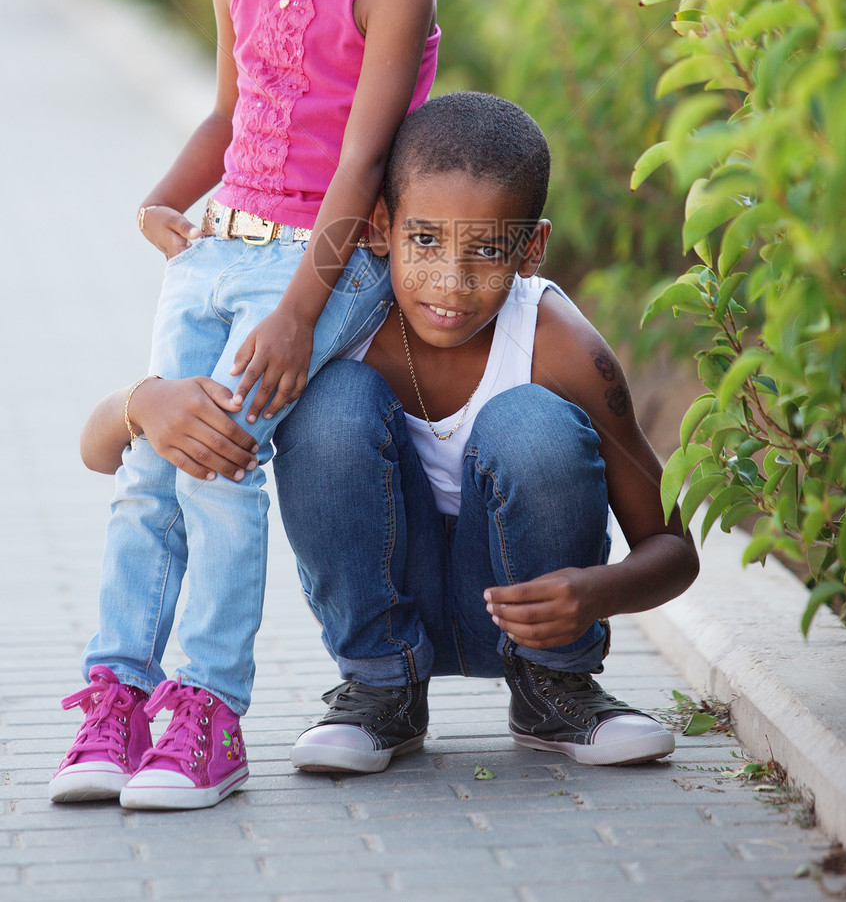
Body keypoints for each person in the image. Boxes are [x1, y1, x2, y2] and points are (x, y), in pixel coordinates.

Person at [49, 0, 468, 812]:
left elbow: (360, 163)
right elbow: (230, 117)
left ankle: (208, 714)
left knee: (220, 467)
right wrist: (163, 195)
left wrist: (296, 312)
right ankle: (115, 697)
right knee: (153, 466)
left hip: (317, 267)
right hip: (216, 251)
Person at [81, 93, 699, 779]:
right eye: (425, 240)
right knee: (329, 404)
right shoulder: (326, 329)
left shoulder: (560, 346)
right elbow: (100, 451)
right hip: (383, 615)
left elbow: (674, 548)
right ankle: (380, 692)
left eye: (488, 250)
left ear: (533, 249)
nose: (451, 281)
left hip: (530, 616)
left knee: (533, 423)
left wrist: (595, 593)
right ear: (378, 227)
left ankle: (556, 690)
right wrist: (143, 402)